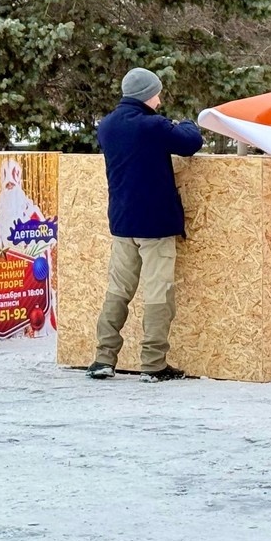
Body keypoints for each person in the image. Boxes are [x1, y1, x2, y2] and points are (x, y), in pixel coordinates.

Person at [85, 67, 203, 383]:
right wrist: (187, 122)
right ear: (147, 95)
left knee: (118, 291)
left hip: (123, 222)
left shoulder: (107, 125)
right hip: (155, 223)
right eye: (158, 93)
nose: (160, 98)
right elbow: (191, 142)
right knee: (158, 292)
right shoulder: (152, 125)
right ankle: (153, 364)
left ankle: (103, 359)